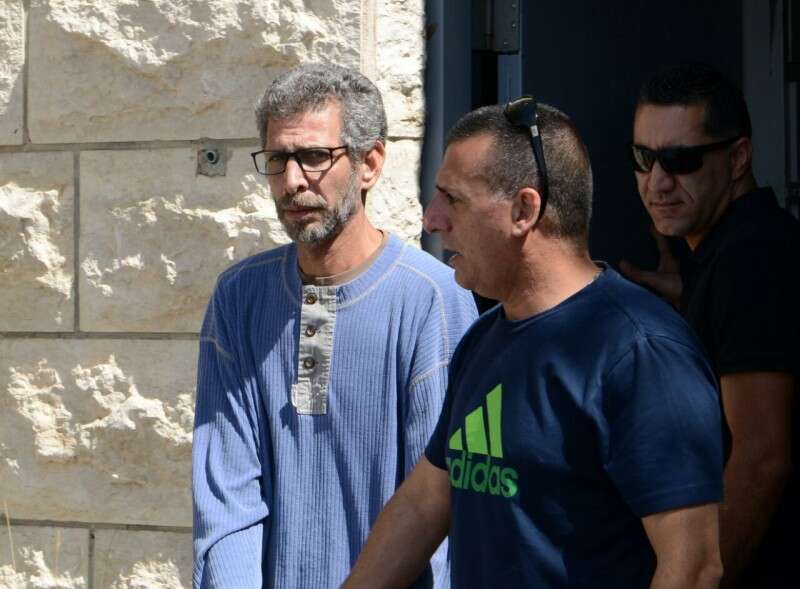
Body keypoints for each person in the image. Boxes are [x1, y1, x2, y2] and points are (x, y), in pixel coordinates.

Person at [344, 99, 724, 588]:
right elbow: (424, 503)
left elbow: (693, 568)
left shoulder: (642, 353)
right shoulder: (483, 338)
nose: (432, 220)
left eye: (452, 199)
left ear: (524, 209)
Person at [191, 64, 477, 589]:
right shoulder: (240, 297)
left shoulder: (433, 299)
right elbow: (227, 495)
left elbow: (440, 511)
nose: (292, 181)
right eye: (277, 159)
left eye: (315, 157)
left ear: (370, 163)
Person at [621, 63, 799, 588]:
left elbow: (761, 457)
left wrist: (697, 578)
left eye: (682, 160)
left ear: (738, 158)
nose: (657, 182)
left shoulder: (753, 259)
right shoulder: (727, 255)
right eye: (643, 158)